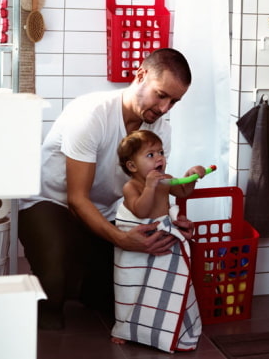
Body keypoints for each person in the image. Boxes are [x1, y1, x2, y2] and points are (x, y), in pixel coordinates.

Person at [19, 48, 205, 330]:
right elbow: (76, 199)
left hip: (105, 211)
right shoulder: (92, 114)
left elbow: (150, 188)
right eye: (161, 95)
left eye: (174, 102)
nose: (165, 108)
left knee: (121, 298)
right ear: (140, 75)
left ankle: (79, 279)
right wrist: (120, 239)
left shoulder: (160, 131)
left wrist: (171, 222)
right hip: (51, 203)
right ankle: (56, 283)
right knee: (53, 288)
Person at [110, 130, 203, 351]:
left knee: (161, 285)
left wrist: (192, 175)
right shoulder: (131, 187)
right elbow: (140, 211)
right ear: (132, 166)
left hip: (161, 237)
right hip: (138, 243)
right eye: (150, 155)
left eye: (160, 152)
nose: (160, 158)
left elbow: (182, 191)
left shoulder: (167, 180)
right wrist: (151, 187)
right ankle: (124, 326)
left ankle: (161, 322)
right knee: (131, 287)